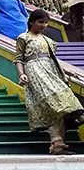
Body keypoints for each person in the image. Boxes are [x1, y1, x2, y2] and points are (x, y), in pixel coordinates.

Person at [15, 9, 84, 155]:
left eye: (46, 22)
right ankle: (57, 143)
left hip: (51, 71)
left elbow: (52, 59)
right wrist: (22, 74)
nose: (44, 25)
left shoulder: (48, 40)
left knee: (59, 106)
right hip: (35, 72)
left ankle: (57, 144)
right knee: (54, 103)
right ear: (31, 22)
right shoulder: (23, 37)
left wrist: (66, 70)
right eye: (40, 22)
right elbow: (19, 58)